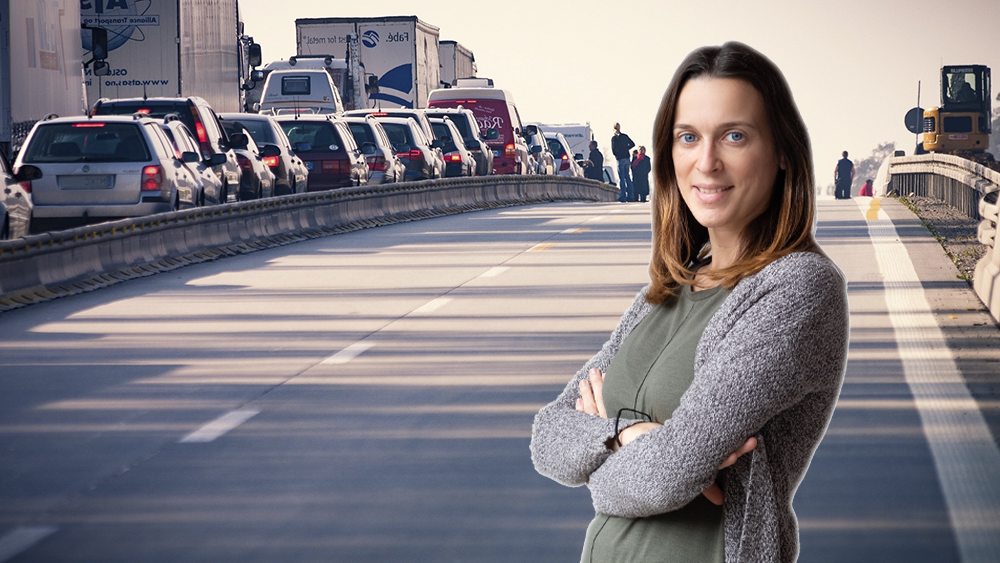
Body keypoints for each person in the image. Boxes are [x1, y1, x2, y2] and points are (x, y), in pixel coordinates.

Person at [530, 41, 850, 563]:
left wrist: (606, 454)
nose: (707, 161)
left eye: (735, 135)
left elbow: (663, 479)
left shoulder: (798, 290)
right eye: (688, 137)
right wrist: (631, 434)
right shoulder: (667, 289)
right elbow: (548, 438)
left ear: (783, 155)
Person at [611, 123, 635, 202]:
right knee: (627, 177)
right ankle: (631, 196)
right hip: (627, 157)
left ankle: (623, 196)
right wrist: (626, 148)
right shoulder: (624, 136)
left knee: (622, 178)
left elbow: (613, 150)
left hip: (620, 158)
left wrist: (617, 154)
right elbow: (632, 144)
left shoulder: (614, 138)